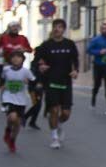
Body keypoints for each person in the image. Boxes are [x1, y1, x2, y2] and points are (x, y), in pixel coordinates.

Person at [33, 19, 79, 149]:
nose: (57, 29)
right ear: (52, 29)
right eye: (55, 27)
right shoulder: (46, 45)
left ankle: (59, 124)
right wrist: (41, 66)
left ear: (64, 29)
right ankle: (54, 138)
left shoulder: (69, 44)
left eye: (60, 27)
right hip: (51, 81)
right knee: (53, 109)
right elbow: (37, 60)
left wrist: (75, 71)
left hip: (65, 82)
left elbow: (75, 60)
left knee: (65, 113)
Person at [0, 51, 35, 153]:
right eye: (13, 57)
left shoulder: (26, 71)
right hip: (8, 98)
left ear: (23, 59)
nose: (16, 59)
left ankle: (12, 140)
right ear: (10, 59)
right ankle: (8, 129)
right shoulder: (6, 70)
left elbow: (34, 80)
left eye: (18, 57)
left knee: (17, 123)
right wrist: (2, 88)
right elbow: (2, 80)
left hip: (21, 100)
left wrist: (29, 82)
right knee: (13, 117)